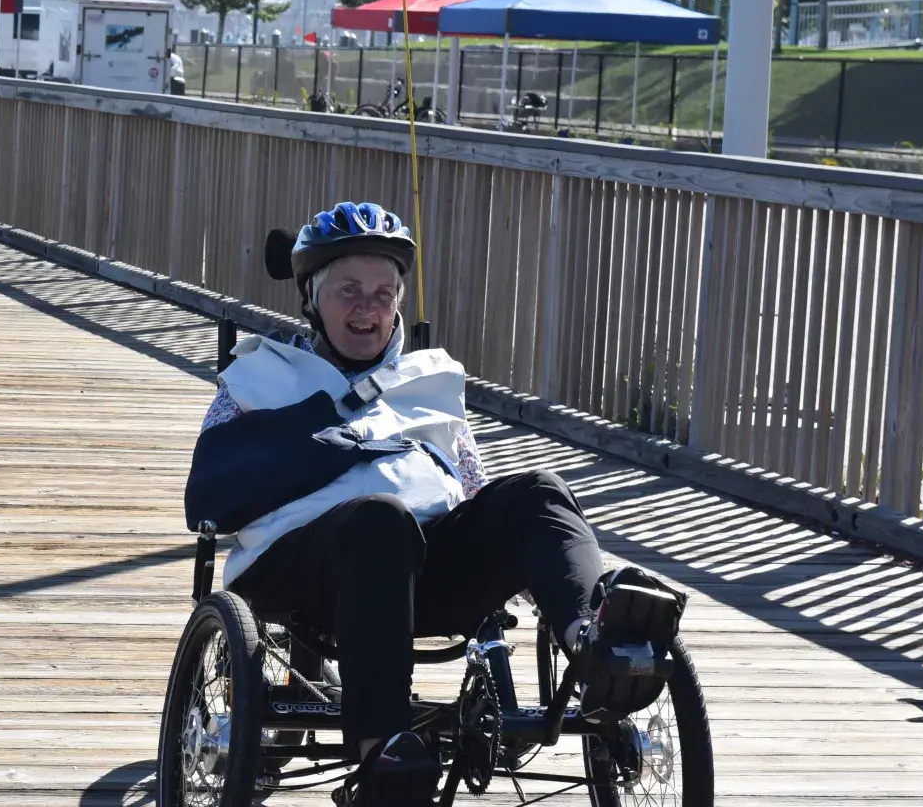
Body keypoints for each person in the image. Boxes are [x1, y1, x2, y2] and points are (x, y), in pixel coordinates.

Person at [184, 202, 686, 806]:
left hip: (424, 575)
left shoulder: (429, 385)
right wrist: (324, 442)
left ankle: (593, 643)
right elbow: (207, 498)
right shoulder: (261, 378)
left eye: (384, 292)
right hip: (302, 573)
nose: (368, 308)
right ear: (311, 297)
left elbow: (473, 491)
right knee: (379, 520)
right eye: (349, 290)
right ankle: (382, 754)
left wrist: (535, 568)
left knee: (538, 491)